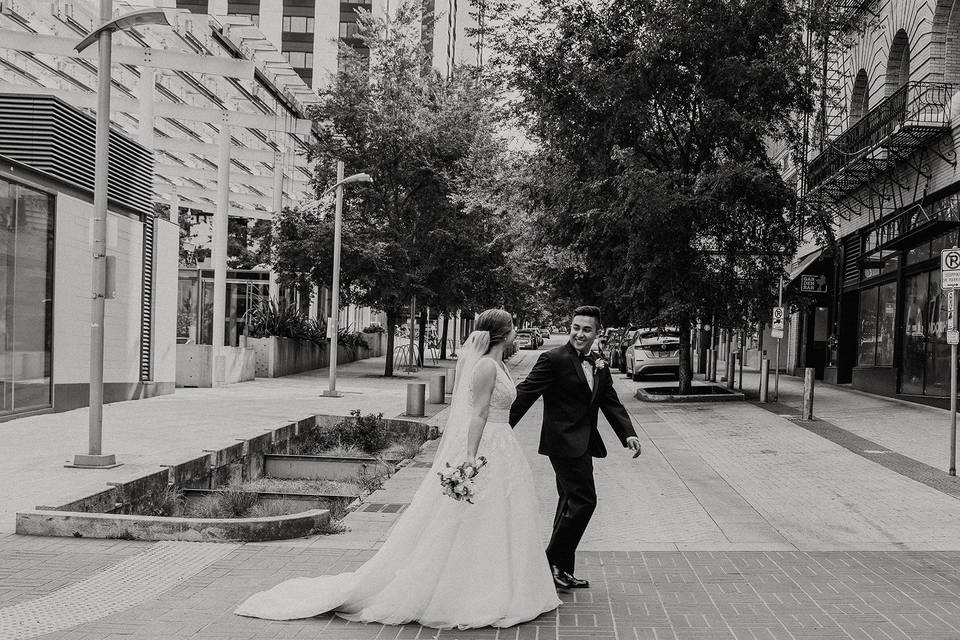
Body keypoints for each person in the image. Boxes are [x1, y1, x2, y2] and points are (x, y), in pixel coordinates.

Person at [235, 308, 561, 629]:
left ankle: (505, 586)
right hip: (488, 445)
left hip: (505, 446)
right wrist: (470, 459)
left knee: (503, 516)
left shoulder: (501, 363)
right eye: (514, 327)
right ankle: (471, 592)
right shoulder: (486, 367)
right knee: (477, 516)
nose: (518, 332)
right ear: (502, 333)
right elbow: (477, 415)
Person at [509, 305, 642, 590]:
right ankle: (550, 561)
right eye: (576, 328)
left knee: (569, 501)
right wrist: (500, 426)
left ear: (597, 332)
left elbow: (610, 400)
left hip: (583, 442)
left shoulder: (598, 361)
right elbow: (526, 394)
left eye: (586, 329)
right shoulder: (553, 359)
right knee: (584, 501)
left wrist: (627, 434)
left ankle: (561, 570)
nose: (579, 334)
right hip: (562, 443)